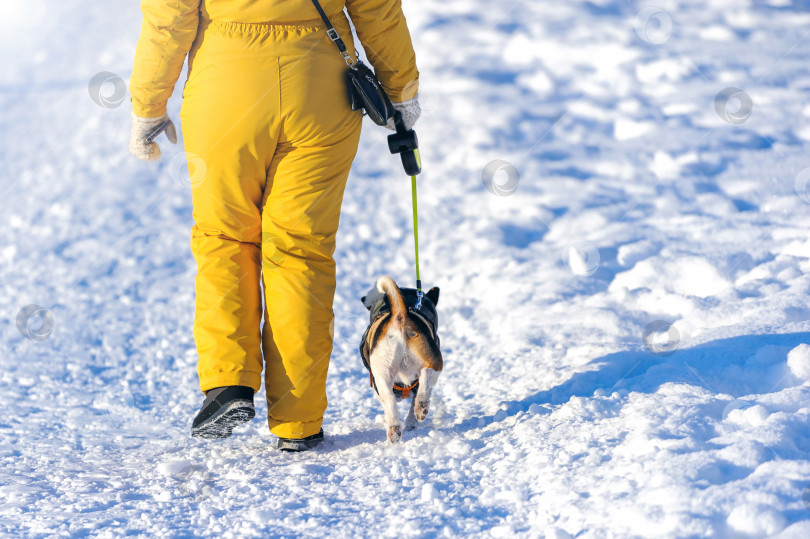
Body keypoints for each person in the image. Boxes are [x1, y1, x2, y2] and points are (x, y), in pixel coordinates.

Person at [128, 0, 420, 451]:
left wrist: (148, 103)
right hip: (319, 88)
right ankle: (298, 421)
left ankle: (228, 382)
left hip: (226, 92)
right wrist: (401, 89)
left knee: (224, 238)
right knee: (300, 251)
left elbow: (170, 14)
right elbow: (376, 8)